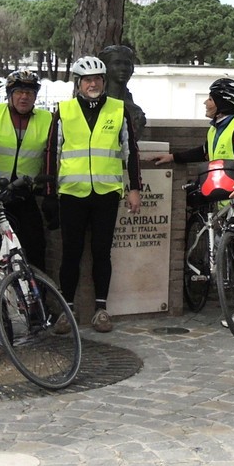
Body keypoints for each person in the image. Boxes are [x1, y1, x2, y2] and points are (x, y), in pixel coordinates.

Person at [46, 54, 142, 334]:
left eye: (97, 79)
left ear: (103, 81)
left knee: (102, 252)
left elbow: (130, 151)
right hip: (73, 194)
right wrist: (51, 193)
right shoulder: (64, 110)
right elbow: (53, 152)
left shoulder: (118, 109)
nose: (93, 84)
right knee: (71, 253)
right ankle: (67, 310)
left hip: (106, 193)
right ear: (78, 84)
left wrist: (134, 188)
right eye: (87, 80)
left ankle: (101, 309)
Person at [173, 77, 234, 332]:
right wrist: (172, 157)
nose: (207, 102)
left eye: (210, 98)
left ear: (223, 103)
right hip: (228, 204)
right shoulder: (215, 127)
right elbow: (204, 152)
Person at [0, 69, 53, 265]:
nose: (24, 97)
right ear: (9, 95)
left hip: (23, 195)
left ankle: (35, 293)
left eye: (29, 93)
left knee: (35, 247)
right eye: (19, 92)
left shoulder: (47, 119)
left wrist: (51, 194)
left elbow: (56, 155)